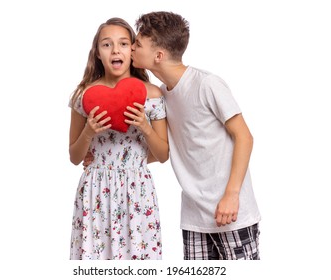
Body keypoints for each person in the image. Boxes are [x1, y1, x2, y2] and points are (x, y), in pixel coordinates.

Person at [130, 11, 261, 260]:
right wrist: (109, 159)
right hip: (193, 218)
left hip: (232, 212)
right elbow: (163, 151)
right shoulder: (160, 94)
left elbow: (245, 137)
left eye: (137, 44)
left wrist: (232, 195)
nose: (132, 48)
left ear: (158, 55)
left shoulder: (207, 84)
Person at [68, 17, 169, 260]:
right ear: (97, 53)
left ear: (132, 50)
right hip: (95, 192)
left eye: (124, 44)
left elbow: (164, 154)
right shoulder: (84, 95)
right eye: (107, 44)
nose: (115, 50)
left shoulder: (152, 94)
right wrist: (89, 132)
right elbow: (74, 157)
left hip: (137, 191)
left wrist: (145, 126)